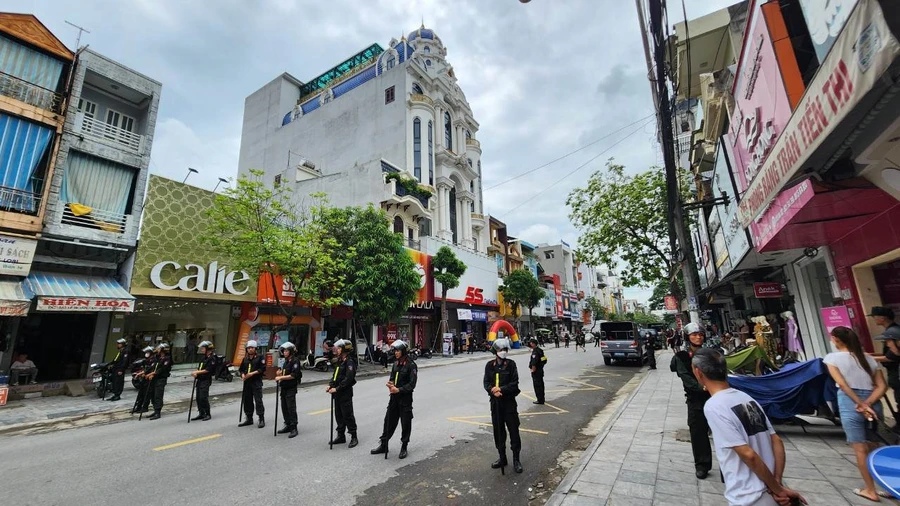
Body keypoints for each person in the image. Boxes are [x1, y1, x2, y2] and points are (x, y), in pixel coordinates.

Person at [692, 348, 807, 506]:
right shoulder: (746, 398)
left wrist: (778, 490)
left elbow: (748, 454)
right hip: (768, 490)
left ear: (698, 373)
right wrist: (777, 483)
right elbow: (777, 441)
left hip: (747, 496)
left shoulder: (714, 406)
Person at [824, 326, 889, 503]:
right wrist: (868, 403)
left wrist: (860, 404)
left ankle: (870, 490)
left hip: (849, 403)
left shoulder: (832, 358)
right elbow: (882, 386)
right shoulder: (869, 358)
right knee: (876, 446)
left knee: (860, 449)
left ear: (836, 339)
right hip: (873, 403)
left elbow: (843, 385)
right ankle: (889, 486)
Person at [670, 322, 713, 479]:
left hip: (715, 397)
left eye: (700, 334)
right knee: (698, 433)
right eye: (694, 335)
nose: (698, 337)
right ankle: (702, 465)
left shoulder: (711, 354)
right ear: (687, 337)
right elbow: (685, 377)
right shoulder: (681, 357)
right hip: (696, 400)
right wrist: (701, 388)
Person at [371, 340, 418, 459]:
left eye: (398, 350)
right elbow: (392, 378)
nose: (396, 353)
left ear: (403, 351)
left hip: (405, 399)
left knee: (405, 423)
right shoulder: (396, 364)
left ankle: (404, 446)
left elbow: (412, 384)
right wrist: (390, 385)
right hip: (394, 398)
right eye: (395, 351)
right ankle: (384, 444)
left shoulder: (411, 365)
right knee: (388, 421)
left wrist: (399, 389)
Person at [484, 338, 523, 474]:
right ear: (495, 351)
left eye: (505, 350)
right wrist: (492, 390)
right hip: (496, 404)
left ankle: (516, 459)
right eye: (501, 350)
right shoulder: (489, 366)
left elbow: (514, 383)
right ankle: (502, 457)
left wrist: (501, 390)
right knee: (498, 432)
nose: (503, 352)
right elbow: (486, 382)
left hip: (509, 403)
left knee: (513, 431)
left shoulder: (511, 365)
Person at [327, 339, 358, 448]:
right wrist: (330, 385)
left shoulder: (350, 362)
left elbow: (348, 379)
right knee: (339, 415)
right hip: (337, 393)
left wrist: (338, 388)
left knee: (347, 415)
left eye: (340, 348)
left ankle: (354, 436)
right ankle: (341, 435)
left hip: (345, 392)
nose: (338, 350)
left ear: (345, 349)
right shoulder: (339, 361)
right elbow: (335, 376)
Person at [871, 306, 900, 412]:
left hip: (896, 372)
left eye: (875, 317)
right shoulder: (893, 330)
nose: (874, 319)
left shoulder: (893, 332)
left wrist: (870, 358)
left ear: (883, 318)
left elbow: (892, 356)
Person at [275, 341, 302, 438]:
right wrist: (280, 374)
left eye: (286, 351)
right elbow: (285, 373)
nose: (284, 352)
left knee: (291, 407)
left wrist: (281, 378)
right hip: (284, 387)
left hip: (291, 387)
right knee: (284, 407)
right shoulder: (286, 361)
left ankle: (294, 427)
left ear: (291, 351)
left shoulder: (295, 361)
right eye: (284, 351)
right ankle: (288, 424)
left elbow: (293, 375)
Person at [238, 340, 266, 428]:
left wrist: (252, 373)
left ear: (255, 349)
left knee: (258, 400)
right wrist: (242, 374)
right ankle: (249, 418)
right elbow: (241, 369)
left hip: (256, 382)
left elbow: (263, 368)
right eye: (249, 348)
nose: (250, 350)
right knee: (247, 400)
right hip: (247, 382)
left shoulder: (260, 357)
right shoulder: (245, 358)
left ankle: (261, 418)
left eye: (252, 348)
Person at [190, 340, 218, 421]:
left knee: (203, 397)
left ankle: (207, 413)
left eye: (203, 348)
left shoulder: (212, 358)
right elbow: (200, 368)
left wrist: (196, 372)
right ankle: (201, 413)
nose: (202, 350)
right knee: (198, 397)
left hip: (206, 380)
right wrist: (197, 373)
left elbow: (207, 370)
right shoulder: (203, 358)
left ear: (208, 349)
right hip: (200, 379)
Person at [145, 343, 172, 420]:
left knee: (158, 395)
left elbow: (161, 369)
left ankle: (158, 412)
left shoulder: (167, 358)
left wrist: (152, 374)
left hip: (161, 379)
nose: (157, 350)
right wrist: (150, 374)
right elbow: (154, 367)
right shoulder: (157, 357)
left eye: (159, 349)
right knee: (153, 395)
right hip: (154, 379)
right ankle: (155, 410)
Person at [133, 346, 155, 414]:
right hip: (143, 379)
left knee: (146, 394)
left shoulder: (153, 360)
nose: (146, 354)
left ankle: (145, 407)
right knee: (140, 393)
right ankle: (138, 406)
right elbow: (143, 368)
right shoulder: (146, 360)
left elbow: (149, 369)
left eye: (147, 352)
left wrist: (141, 373)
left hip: (149, 379)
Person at [527, 337, 547, 405]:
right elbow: (544, 360)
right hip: (540, 370)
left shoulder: (535, 352)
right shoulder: (540, 350)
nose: (530, 344)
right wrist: (541, 366)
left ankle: (540, 399)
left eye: (531, 343)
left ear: (533, 344)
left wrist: (533, 370)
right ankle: (542, 398)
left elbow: (534, 362)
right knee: (541, 384)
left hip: (536, 371)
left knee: (537, 386)